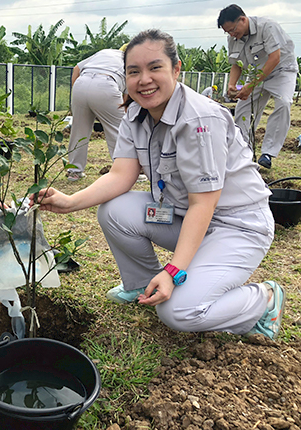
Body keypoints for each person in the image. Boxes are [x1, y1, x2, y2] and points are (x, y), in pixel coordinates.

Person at [33, 29, 285, 340]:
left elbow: (203, 204)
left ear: (176, 69)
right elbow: (120, 175)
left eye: (155, 68)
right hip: (183, 216)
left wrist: (172, 271)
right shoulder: (136, 112)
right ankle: (140, 284)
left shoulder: (198, 120)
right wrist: (71, 201)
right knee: (114, 210)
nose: (144, 80)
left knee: (178, 312)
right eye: (133, 71)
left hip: (237, 226)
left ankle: (263, 301)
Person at [217, 4, 298, 169]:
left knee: (283, 103)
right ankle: (241, 151)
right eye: (228, 32)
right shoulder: (233, 38)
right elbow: (236, 64)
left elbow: (274, 58)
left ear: (243, 19)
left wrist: (250, 86)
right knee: (242, 110)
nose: (232, 34)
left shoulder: (267, 27)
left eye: (233, 30)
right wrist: (232, 85)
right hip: (257, 74)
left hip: (282, 71)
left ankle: (268, 153)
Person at [66, 47, 127, 181]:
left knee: (79, 130)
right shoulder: (131, 59)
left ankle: (74, 172)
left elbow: (77, 69)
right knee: (120, 131)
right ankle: (126, 169)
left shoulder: (105, 52)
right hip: (107, 84)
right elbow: (126, 99)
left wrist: (78, 97)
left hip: (81, 84)